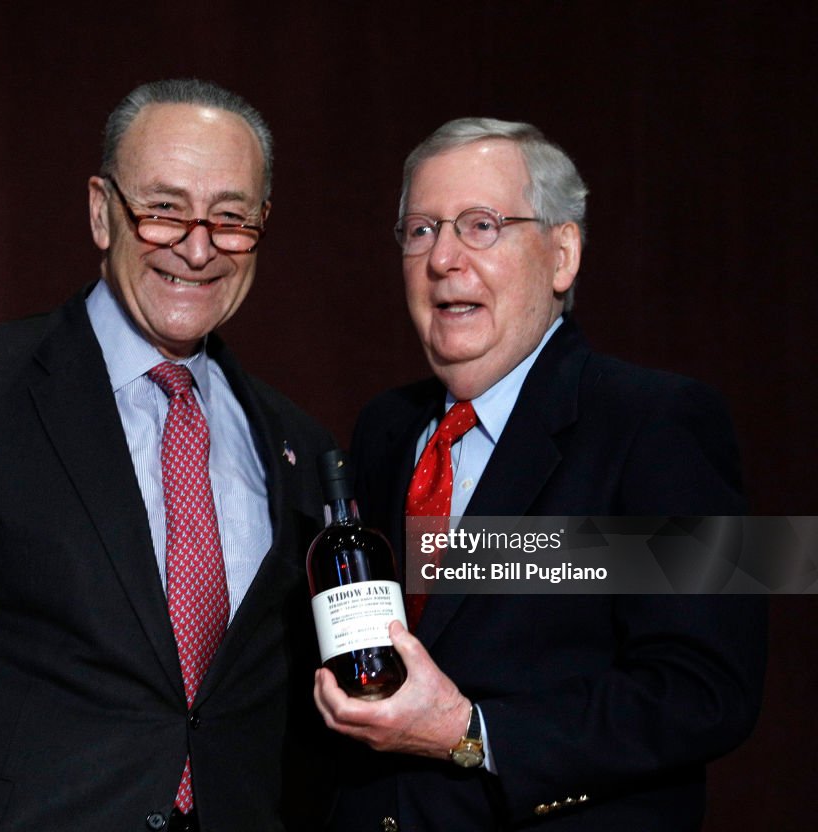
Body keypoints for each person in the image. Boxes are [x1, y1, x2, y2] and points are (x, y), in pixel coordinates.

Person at [0, 79, 334, 831]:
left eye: (231, 218)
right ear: (99, 211)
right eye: (164, 209)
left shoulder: (300, 448)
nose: (199, 245)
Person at [314, 118, 766, 831]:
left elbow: (705, 693)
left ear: (563, 255)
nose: (443, 259)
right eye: (421, 230)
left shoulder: (662, 422)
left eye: (482, 225)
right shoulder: (384, 428)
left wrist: (471, 733)